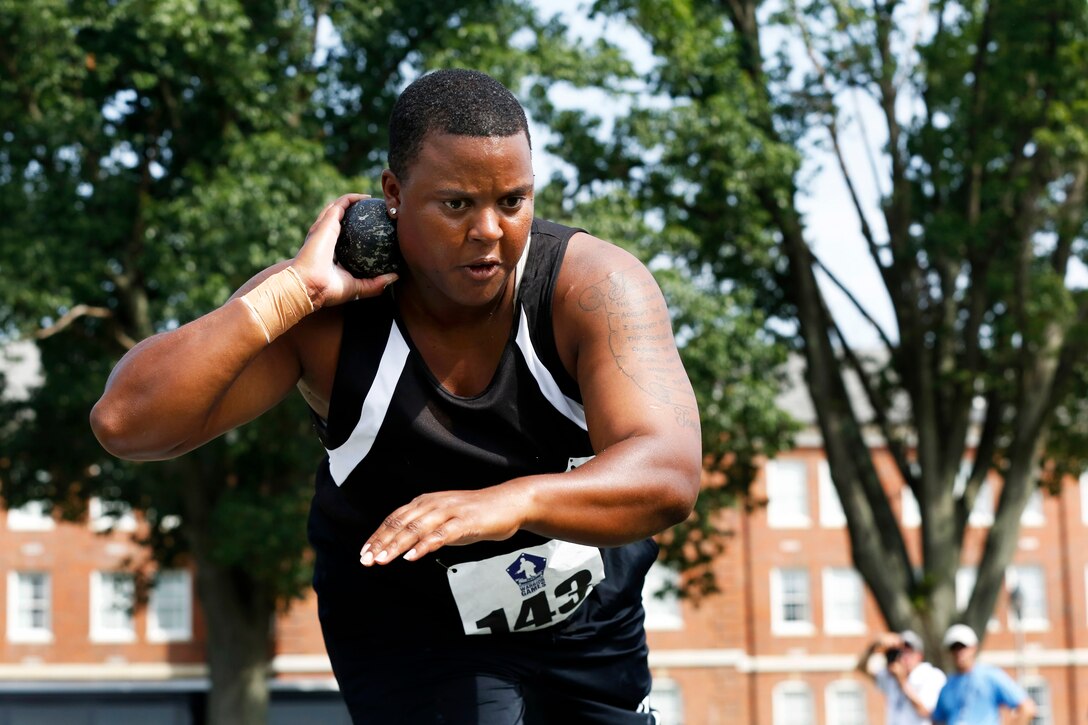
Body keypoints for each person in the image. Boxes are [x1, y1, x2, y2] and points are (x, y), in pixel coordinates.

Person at [89, 68, 702, 723]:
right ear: (393, 195)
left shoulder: (589, 288)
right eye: (457, 205)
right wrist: (290, 293)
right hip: (411, 622)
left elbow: (668, 473)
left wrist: (508, 502)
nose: (490, 231)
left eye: (513, 201)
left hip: (581, 603)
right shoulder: (328, 315)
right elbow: (127, 422)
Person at [931, 624, 1037, 725]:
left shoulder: (990, 675)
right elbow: (937, 719)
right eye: (954, 648)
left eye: (963, 647)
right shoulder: (948, 685)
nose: (959, 652)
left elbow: (1027, 708)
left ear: (974, 648)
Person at [856, 629, 946, 725]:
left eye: (909, 652)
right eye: (901, 652)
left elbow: (925, 711)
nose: (904, 657)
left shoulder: (930, 675)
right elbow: (861, 667)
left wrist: (902, 682)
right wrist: (874, 645)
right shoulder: (891, 676)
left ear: (919, 655)